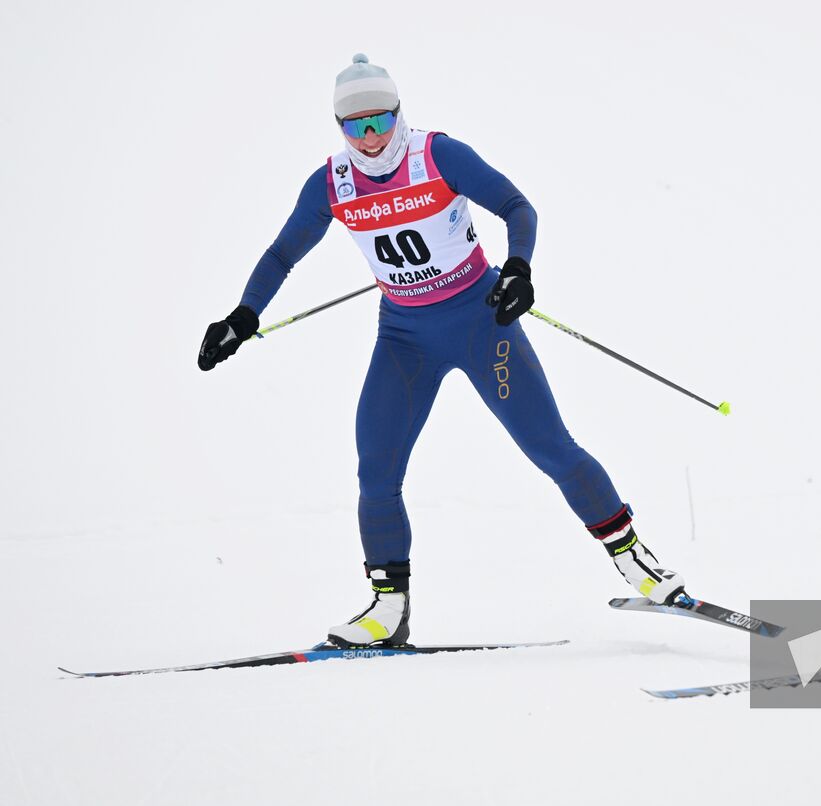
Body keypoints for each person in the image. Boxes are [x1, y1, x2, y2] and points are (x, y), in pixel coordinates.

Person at [197, 54, 686, 647]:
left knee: (551, 448)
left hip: (481, 323)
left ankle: (638, 564)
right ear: (339, 128)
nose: (371, 138)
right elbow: (282, 254)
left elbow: (517, 207)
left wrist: (518, 271)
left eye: (380, 121)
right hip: (404, 339)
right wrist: (243, 314)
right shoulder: (331, 183)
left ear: (399, 113)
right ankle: (387, 609)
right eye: (356, 127)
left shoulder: (437, 155)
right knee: (376, 470)